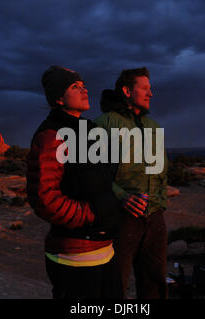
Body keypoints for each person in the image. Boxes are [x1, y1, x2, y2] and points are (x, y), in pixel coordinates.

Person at [26, 66, 122, 299]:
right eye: (74, 87)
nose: (84, 90)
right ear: (58, 98)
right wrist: (91, 214)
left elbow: (99, 181)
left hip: (104, 249)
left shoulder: (87, 130)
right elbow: (45, 199)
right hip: (75, 256)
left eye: (83, 85)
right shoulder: (52, 135)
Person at [94, 67, 168, 299]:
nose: (151, 93)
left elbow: (162, 170)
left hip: (155, 218)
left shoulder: (154, 126)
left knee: (155, 286)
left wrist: (160, 203)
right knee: (115, 285)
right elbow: (92, 172)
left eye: (150, 88)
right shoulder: (103, 124)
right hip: (121, 219)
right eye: (144, 88)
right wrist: (122, 197)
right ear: (127, 91)